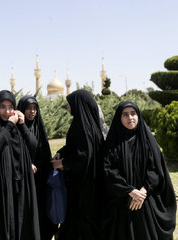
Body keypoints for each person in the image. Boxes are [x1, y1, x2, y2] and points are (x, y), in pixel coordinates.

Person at [102, 101, 176, 240]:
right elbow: (108, 170)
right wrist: (129, 190)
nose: (130, 117)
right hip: (122, 203)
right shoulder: (112, 143)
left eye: (133, 113)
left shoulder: (147, 140)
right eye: (125, 115)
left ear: (138, 115)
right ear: (119, 118)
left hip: (146, 200)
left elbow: (155, 169)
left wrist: (142, 192)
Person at [0, 90, 40, 240]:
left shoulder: (18, 126)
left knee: (22, 221)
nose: (7, 111)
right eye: (2, 107)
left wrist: (22, 124)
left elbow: (33, 144)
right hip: (0, 183)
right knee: (3, 222)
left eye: (10, 107)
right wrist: (9, 125)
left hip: (20, 182)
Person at [51, 89, 104, 240]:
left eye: (70, 104)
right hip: (88, 183)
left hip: (83, 187)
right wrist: (62, 151)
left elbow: (83, 156)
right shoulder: (87, 124)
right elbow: (75, 147)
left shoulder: (82, 127)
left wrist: (61, 163)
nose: (68, 107)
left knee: (81, 224)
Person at [17, 95, 58, 240]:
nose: (32, 112)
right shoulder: (16, 129)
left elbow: (44, 152)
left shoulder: (39, 128)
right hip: (22, 180)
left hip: (40, 180)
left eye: (35, 108)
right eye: (28, 108)